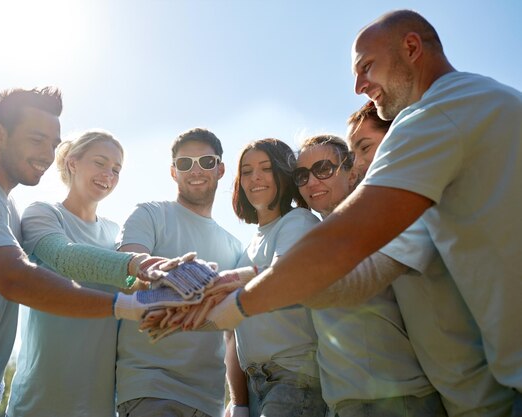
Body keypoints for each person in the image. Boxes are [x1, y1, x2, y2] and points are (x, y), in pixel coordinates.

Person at [194, 8, 522, 409]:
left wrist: (243, 303)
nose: (358, 85)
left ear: (412, 47)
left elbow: (347, 250)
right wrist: (253, 278)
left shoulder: (433, 115)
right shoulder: (489, 100)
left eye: (366, 67)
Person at [0, 87, 163, 417]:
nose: (47, 154)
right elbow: (15, 278)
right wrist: (128, 303)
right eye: (36, 140)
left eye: (52, 144)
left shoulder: (7, 207)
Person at [347, 101, 515, 416]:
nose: (355, 164)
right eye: (351, 153)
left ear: (398, 139)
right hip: (455, 399)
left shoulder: (416, 212)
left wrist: (259, 289)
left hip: (490, 399)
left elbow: (361, 277)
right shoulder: (390, 216)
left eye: (364, 148)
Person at [295, 134, 445, 417]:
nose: (312, 182)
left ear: (351, 173)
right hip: (344, 404)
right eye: (302, 175)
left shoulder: (379, 223)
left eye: (324, 169)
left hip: (399, 401)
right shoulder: (316, 240)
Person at [115, 128, 242, 417]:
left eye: (206, 162)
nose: (195, 170)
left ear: (220, 169)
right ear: (174, 172)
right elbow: (126, 272)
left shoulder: (234, 246)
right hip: (150, 388)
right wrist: (177, 278)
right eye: (185, 163)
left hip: (209, 400)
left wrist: (240, 403)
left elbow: (233, 334)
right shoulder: (149, 214)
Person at [6, 130, 128, 416]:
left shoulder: (115, 233)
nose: (108, 174)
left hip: (100, 402)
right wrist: (134, 265)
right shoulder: (43, 213)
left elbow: (130, 284)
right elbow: (65, 257)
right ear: (73, 162)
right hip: (42, 395)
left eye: (116, 169)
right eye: (100, 162)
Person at [228, 138, 326, 417]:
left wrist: (225, 282)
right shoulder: (247, 247)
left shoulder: (298, 222)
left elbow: (281, 276)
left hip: (294, 380)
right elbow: (233, 331)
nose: (255, 177)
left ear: (284, 173)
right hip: (255, 383)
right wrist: (239, 402)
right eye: (246, 171)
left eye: (266, 168)